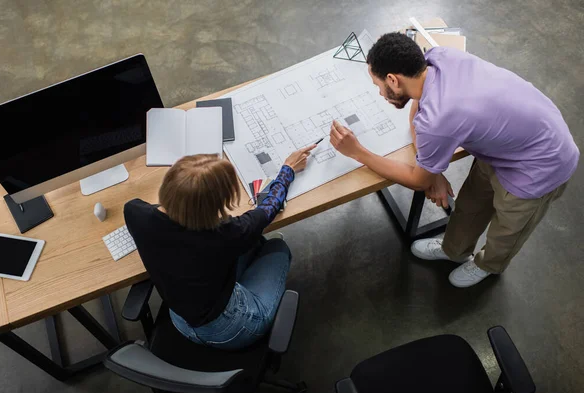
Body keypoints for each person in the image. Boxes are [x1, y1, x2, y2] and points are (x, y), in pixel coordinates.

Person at [329, 32, 579, 288]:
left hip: (542, 163)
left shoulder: (439, 118)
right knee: (470, 204)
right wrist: (432, 170)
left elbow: (417, 179)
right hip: (509, 141)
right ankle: (454, 250)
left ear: (393, 80)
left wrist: (358, 152)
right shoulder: (438, 59)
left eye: (378, 85)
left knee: (507, 230)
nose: (380, 93)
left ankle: (488, 265)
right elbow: (418, 108)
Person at [124, 144, 315, 349]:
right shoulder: (224, 234)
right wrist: (288, 169)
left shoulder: (135, 213)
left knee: (252, 245)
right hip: (229, 328)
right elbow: (268, 208)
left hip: (179, 318)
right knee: (276, 247)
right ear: (214, 207)